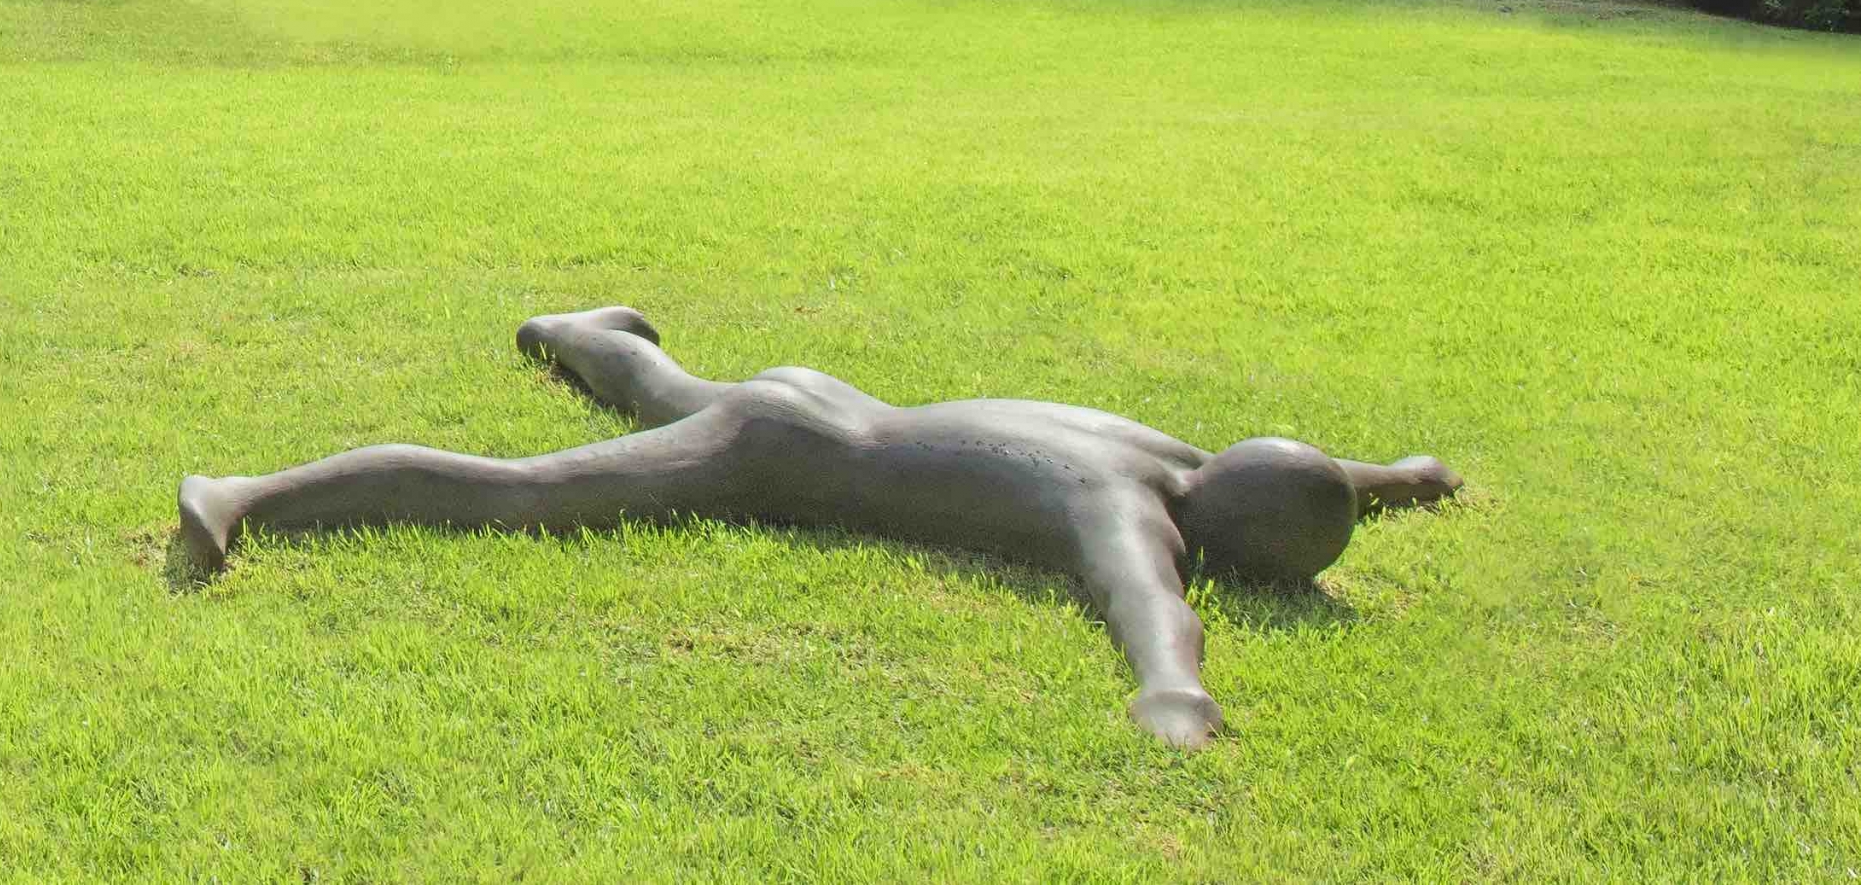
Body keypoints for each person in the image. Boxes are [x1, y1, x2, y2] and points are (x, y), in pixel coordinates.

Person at [173, 308, 1461, 745]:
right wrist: (1169, 696)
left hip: (823, 405)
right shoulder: (1124, 502)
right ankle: (248, 495)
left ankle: (580, 329)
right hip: (780, 450)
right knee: (525, 492)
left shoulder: (1162, 454)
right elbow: (1145, 605)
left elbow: (1318, 473)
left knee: (663, 390)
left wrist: (1400, 475)